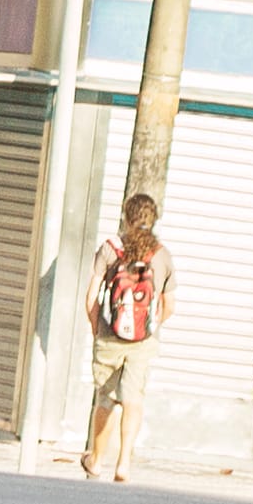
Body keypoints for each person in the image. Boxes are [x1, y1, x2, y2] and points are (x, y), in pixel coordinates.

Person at [82, 192, 176, 483]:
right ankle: (123, 464)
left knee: (106, 399)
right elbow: (168, 306)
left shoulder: (110, 250)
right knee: (133, 400)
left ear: (126, 216)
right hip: (143, 342)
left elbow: (91, 298)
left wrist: (99, 328)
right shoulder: (162, 256)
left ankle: (96, 460)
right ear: (154, 219)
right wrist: (148, 327)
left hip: (110, 337)